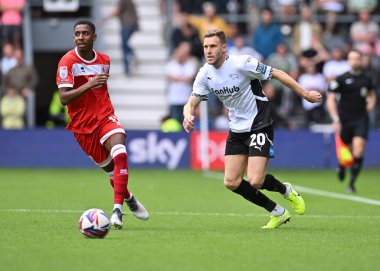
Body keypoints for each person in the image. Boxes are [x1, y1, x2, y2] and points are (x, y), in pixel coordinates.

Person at [183, 29, 322, 229]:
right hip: (237, 129)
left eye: (213, 46)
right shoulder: (205, 73)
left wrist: (305, 93)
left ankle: (286, 190)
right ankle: (277, 212)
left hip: (259, 124)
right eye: (205, 47)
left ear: (224, 48)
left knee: (256, 180)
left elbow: (278, 74)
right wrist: (188, 114)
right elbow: (191, 102)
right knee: (231, 181)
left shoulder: (242, 63)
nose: (208, 51)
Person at [56, 20, 149, 229]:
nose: (81, 37)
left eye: (86, 33)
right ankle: (128, 198)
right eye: (78, 34)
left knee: (121, 154)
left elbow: (102, 91)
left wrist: (100, 99)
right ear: (73, 37)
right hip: (82, 126)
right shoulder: (67, 62)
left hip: (105, 116)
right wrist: (89, 84)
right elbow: (63, 98)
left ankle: (117, 210)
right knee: (111, 171)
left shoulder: (105, 60)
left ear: (94, 37)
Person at [326, 50, 377, 193]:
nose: (355, 61)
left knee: (359, 150)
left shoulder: (367, 79)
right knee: (346, 153)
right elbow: (330, 99)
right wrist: (335, 119)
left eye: (357, 59)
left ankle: (351, 184)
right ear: (348, 61)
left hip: (361, 119)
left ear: (361, 60)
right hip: (344, 120)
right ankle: (341, 167)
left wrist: (371, 104)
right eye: (352, 59)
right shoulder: (341, 79)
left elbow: (372, 95)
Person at [101, 0, 139, 75]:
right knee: (125, 44)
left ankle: (127, 67)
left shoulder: (122, 1)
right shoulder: (130, 1)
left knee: (123, 46)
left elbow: (117, 11)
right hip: (132, 25)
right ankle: (132, 55)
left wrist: (105, 19)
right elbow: (135, 12)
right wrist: (137, 24)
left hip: (126, 25)